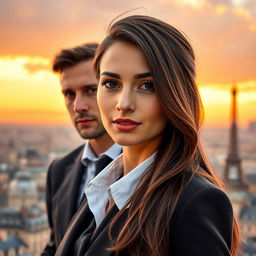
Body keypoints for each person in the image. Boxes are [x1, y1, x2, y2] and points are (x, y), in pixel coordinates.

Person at [55, 15, 240, 256]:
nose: (123, 103)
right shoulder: (102, 189)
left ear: (175, 95)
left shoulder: (194, 203)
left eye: (147, 85)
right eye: (111, 83)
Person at [41, 43, 121, 255]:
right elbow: (56, 246)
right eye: (69, 94)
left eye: (91, 90)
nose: (78, 106)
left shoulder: (149, 171)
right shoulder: (58, 171)